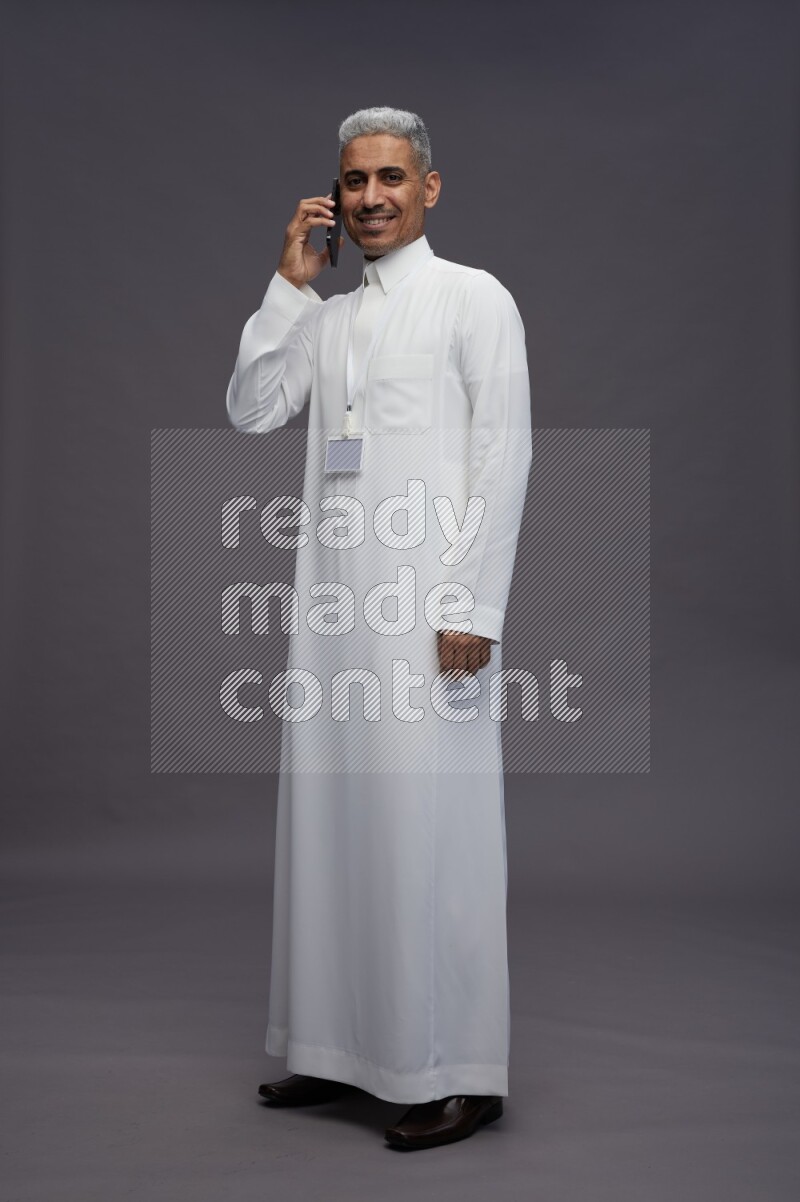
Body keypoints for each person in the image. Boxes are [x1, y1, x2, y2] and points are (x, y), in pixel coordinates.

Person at [225, 106, 532, 1150]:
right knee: (333, 827)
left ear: (429, 186)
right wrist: (285, 290)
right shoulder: (328, 318)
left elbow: (503, 454)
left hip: (428, 611)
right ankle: (334, 1046)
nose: (369, 199)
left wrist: (471, 607)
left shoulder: (470, 299)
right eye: (353, 181)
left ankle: (458, 1067)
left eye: (390, 178)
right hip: (331, 613)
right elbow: (254, 407)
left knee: (431, 835)